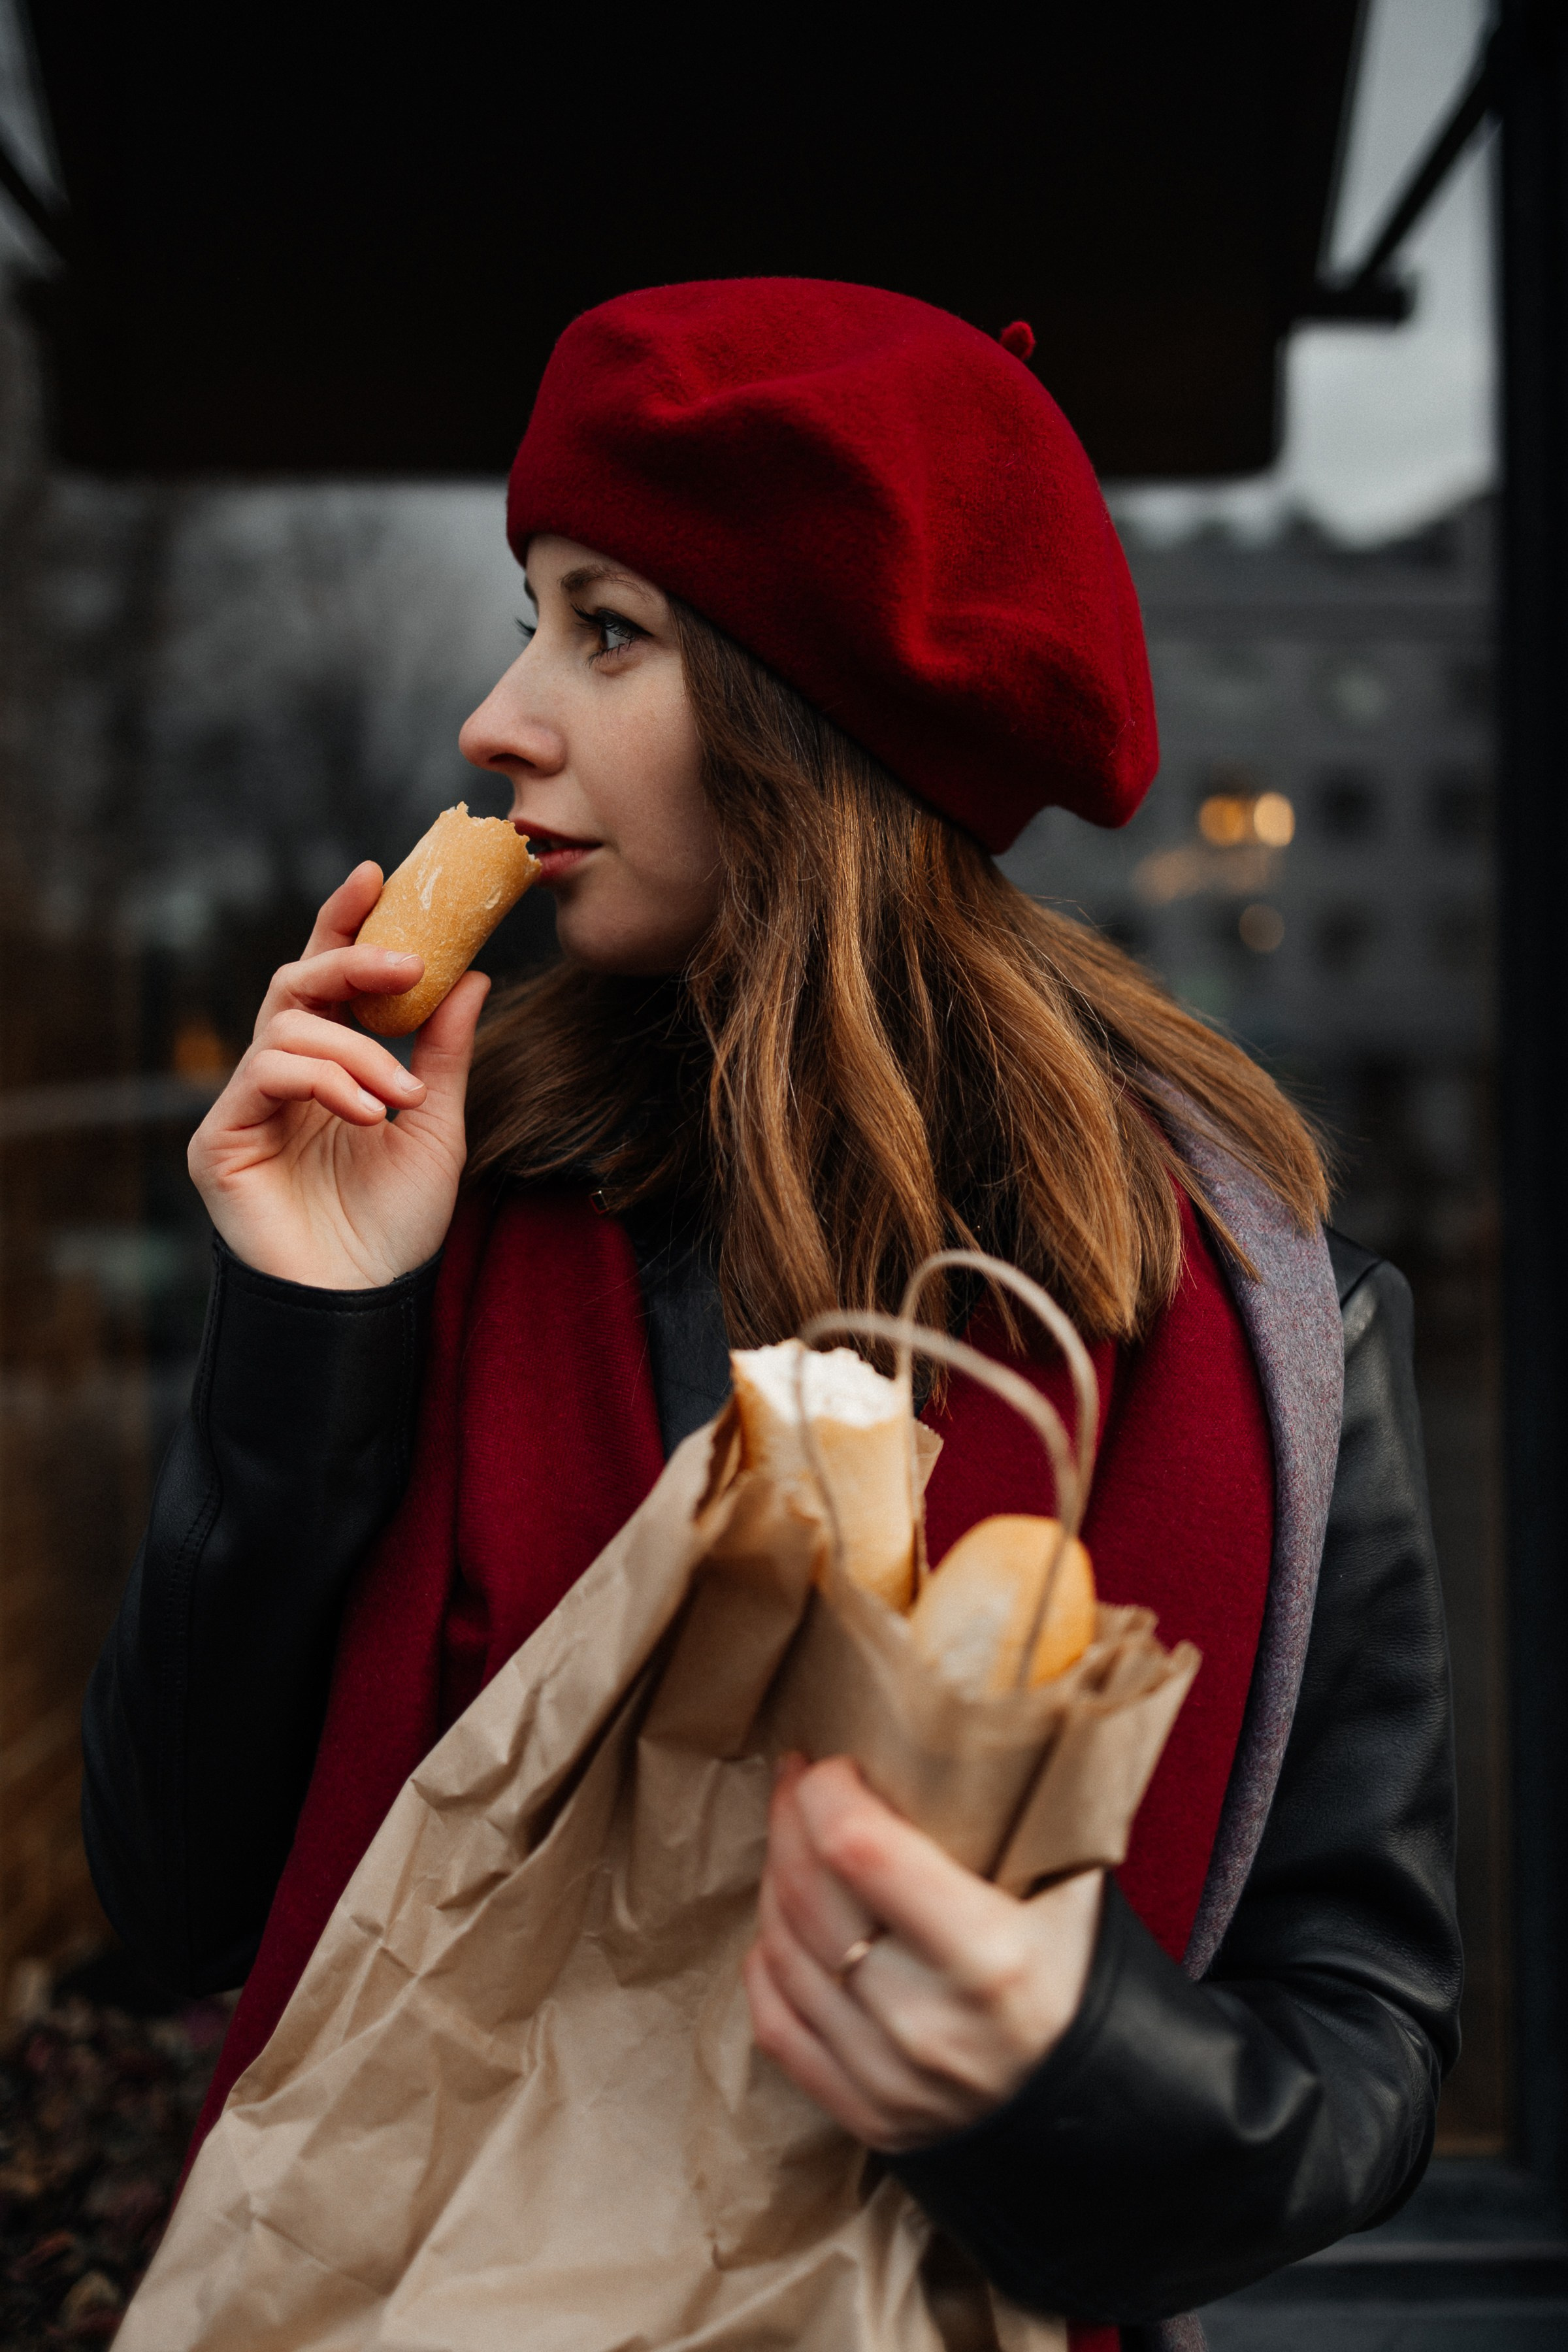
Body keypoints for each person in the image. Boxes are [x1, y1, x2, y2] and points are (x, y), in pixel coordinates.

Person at [82, 280, 1459, 2349]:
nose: (501, 713)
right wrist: (305, 1336)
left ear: (811, 708)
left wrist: (1062, 2060)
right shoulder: (452, 1200)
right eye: (529, 608)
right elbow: (176, 1899)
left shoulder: (1269, 1327)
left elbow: (1361, 2045)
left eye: (605, 626)